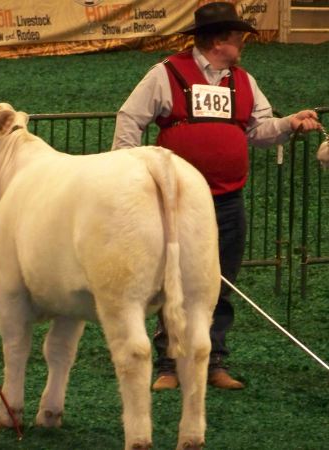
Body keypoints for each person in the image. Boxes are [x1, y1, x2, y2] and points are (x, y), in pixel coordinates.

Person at [111, 2, 321, 390]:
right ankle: (170, 365)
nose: (243, 44)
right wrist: (130, 171)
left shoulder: (243, 81)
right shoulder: (167, 73)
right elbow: (130, 119)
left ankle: (213, 362)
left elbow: (259, 130)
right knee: (172, 280)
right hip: (175, 202)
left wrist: (290, 123)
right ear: (220, 40)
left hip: (227, 200)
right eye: (238, 37)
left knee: (221, 284)